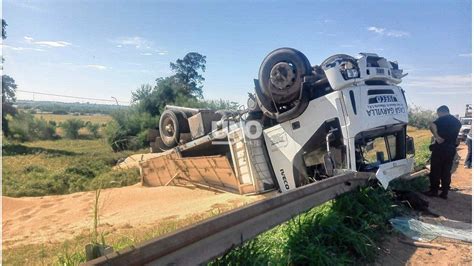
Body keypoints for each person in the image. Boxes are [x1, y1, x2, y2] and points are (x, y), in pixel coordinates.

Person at [425, 105, 462, 199]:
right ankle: (444, 192)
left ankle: (434, 191)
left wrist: (437, 136)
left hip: (440, 148)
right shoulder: (457, 122)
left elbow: (431, 125)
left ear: (441, 112)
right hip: (451, 148)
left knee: (435, 170)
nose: (438, 115)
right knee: (446, 171)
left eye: (438, 114)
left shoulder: (441, 120)